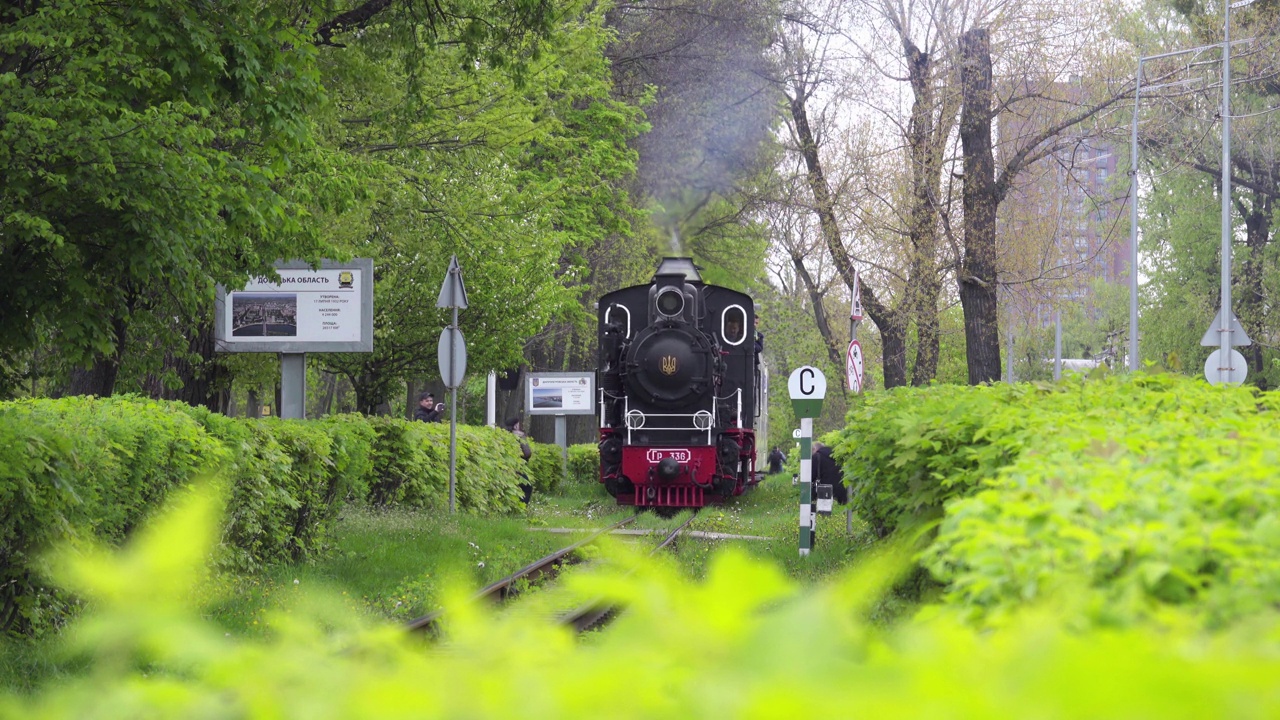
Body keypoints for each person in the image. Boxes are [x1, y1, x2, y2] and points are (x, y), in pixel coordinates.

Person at [506, 417, 534, 505]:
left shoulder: (504, 434)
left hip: (505, 466)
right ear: (516, 425)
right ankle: (522, 506)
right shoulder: (520, 436)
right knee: (527, 487)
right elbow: (527, 453)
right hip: (517, 467)